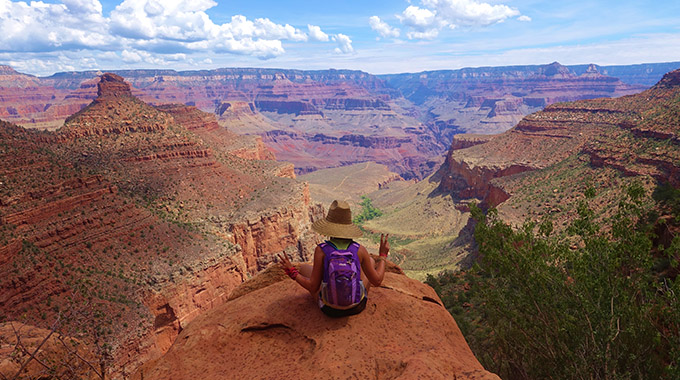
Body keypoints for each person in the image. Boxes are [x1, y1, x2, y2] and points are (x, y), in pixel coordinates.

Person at [278, 200, 389, 317]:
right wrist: (382, 255)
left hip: (329, 310)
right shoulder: (360, 250)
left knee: (304, 268)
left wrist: (292, 272)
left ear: (329, 227)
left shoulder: (321, 250)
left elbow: (312, 286)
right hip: (357, 307)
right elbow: (377, 281)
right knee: (370, 261)